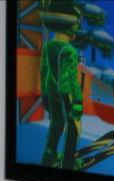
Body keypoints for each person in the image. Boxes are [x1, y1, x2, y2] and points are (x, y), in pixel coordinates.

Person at [37, 0, 83, 169]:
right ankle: (69, 162)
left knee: (56, 124)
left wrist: (44, 93)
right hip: (65, 94)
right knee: (74, 127)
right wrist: (77, 101)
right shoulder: (69, 51)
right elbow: (72, 79)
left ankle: (49, 156)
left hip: (51, 90)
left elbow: (43, 71)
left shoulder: (48, 46)